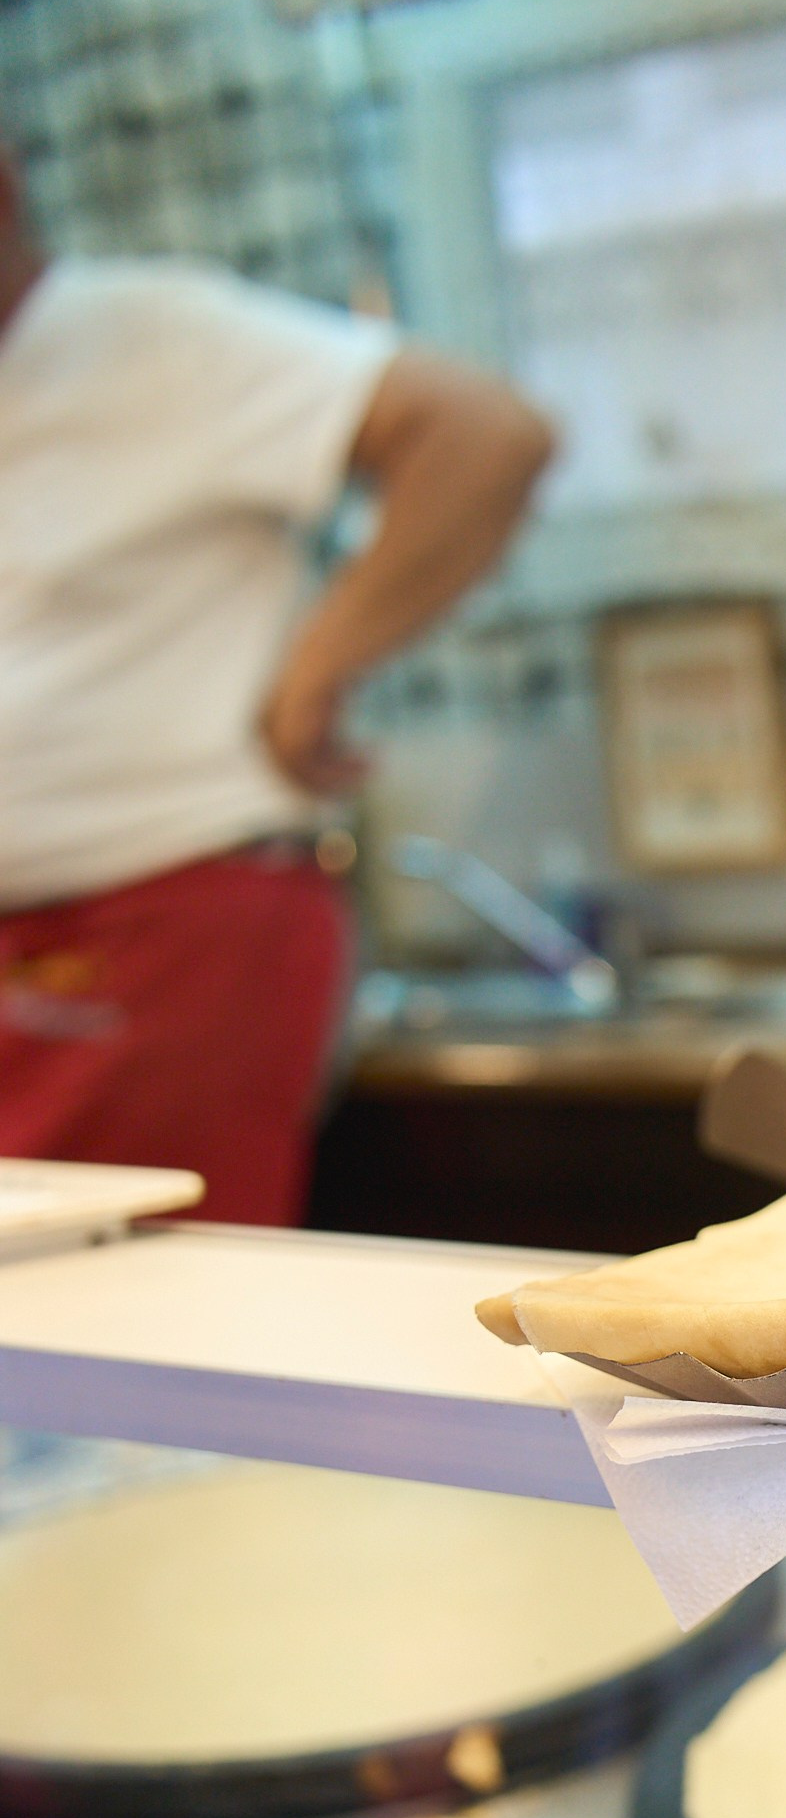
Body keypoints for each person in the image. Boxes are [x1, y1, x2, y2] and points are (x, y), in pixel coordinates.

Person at [0, 149, 554, 1223]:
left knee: (133, 1303)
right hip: (38, 947)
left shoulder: (146, 338)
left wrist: (316, 666)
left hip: (163, 929)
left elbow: (485, 437)